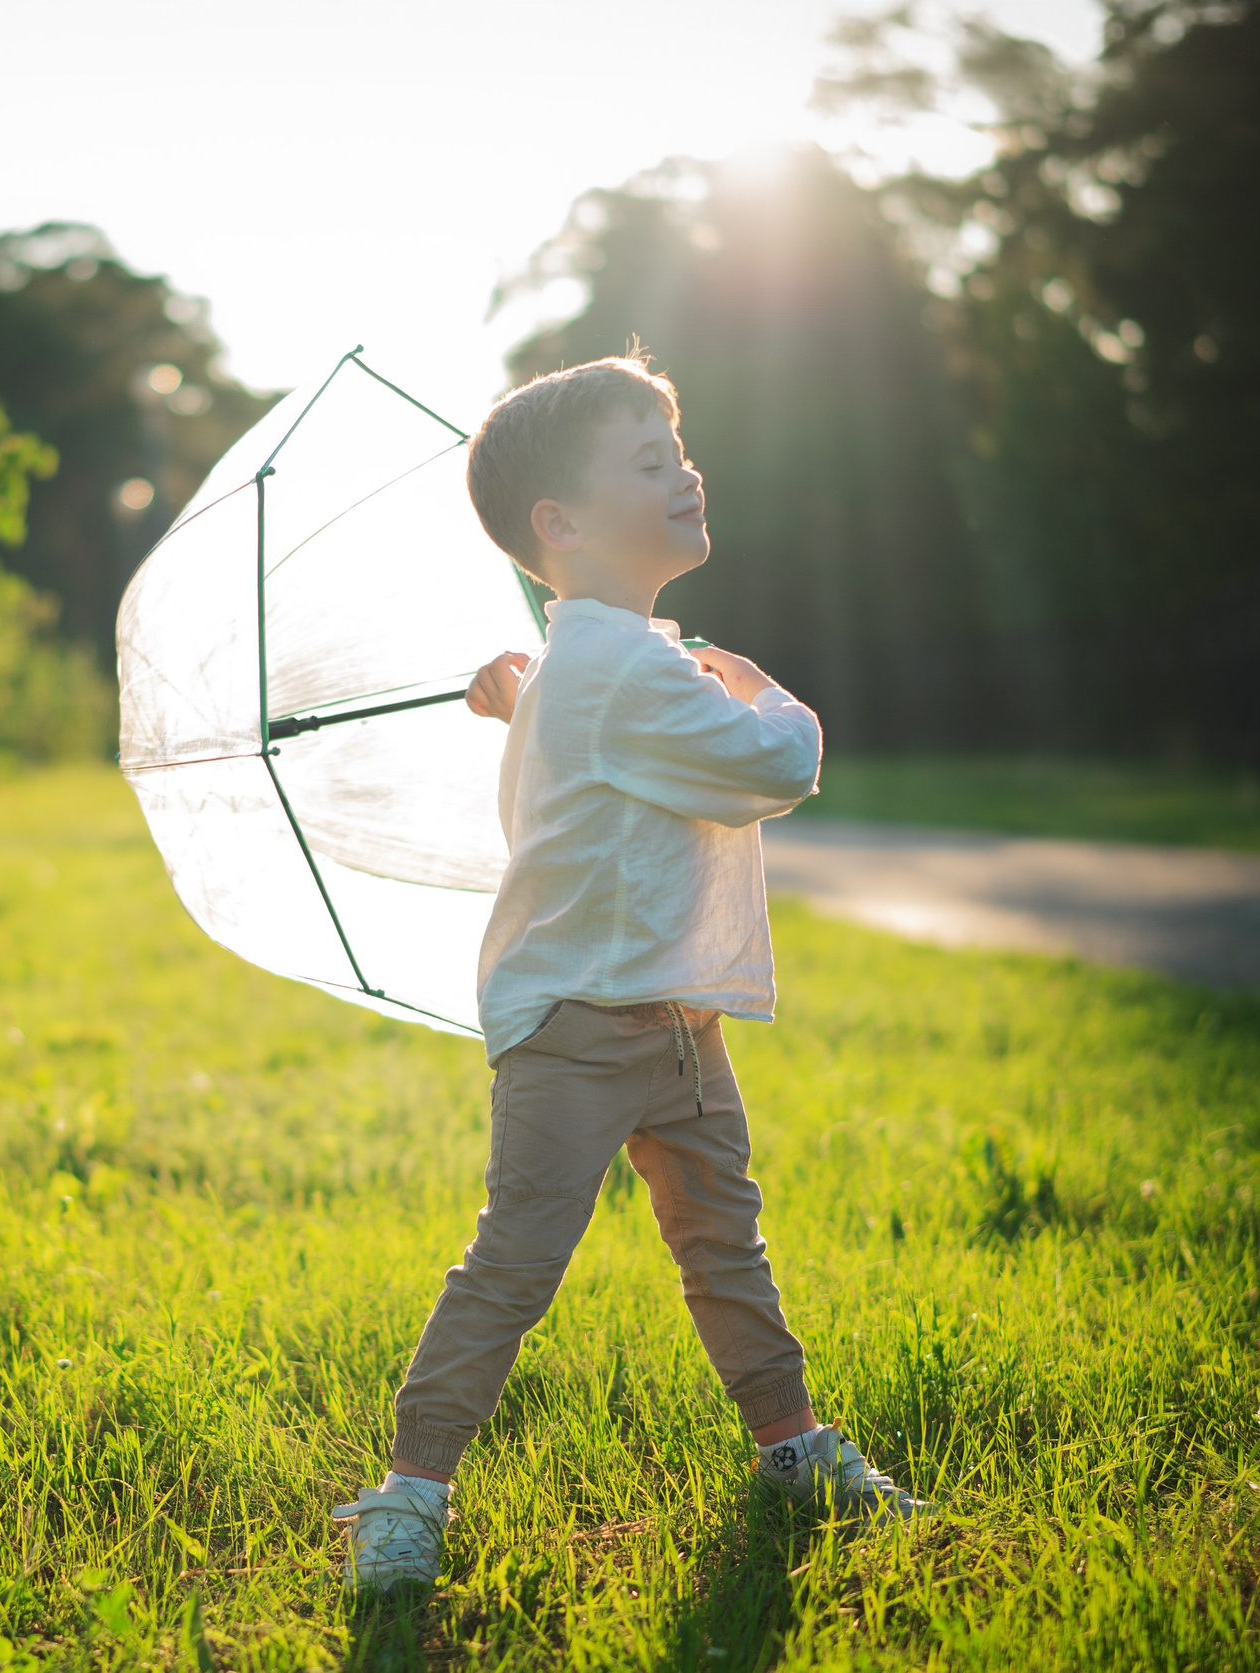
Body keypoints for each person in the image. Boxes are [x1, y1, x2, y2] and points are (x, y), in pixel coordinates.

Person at [333, 356, 930, 1590]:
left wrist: (528, 695)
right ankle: (407, 1490)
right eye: (650, 461)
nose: (685, 471)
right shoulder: (615, 667)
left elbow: (598, 730)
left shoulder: (596, 662)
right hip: (572, 1029)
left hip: (673, 1023)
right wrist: (765, 690)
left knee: (724, 1240)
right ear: (558, 524)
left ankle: (793, 1444)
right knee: (516, 1260)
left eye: (681, 449)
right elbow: (768, 765)